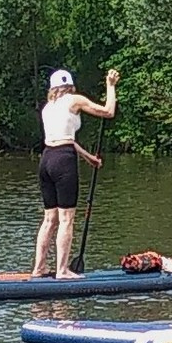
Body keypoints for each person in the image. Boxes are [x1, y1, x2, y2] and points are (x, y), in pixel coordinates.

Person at [32, 67, 119, 277]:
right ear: (70, 86)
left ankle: (39, 268)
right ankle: (62, 270)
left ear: (52, 88)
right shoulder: (74, 100)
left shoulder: (47, 108)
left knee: (49, 219)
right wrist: (110, 86)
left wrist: (88, 157)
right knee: (66, 219)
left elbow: (63, 139)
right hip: (63, 162)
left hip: (46, 160)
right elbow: (108, 112)